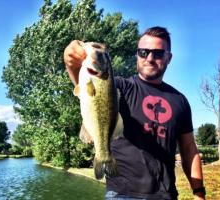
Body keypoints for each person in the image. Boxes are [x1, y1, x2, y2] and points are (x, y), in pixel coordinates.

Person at [64, 26, 205, 200]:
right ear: (137, 55)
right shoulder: (119, 86)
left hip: (167, 195)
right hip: (122, 194)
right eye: (143, 52)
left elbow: (189, 149)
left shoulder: (180, 100)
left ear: (168, 58)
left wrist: (199, 193)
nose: (150, 58)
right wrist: (71, 61)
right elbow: (87, 88)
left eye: (158, 53)